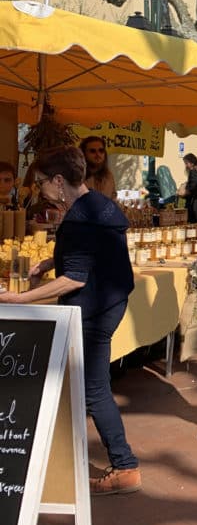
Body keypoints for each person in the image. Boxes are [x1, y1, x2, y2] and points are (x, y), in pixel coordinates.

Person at [0, 145, 141, 495]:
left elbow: (76, 278)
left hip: (94, 309)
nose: (40, 190)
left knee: (94, 390)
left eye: (43, 182)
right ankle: (64, 450)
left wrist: (20, 298)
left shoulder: (80, 217)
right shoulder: (97, 204)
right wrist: (51, 263)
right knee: (81, 385)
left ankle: (125, 466)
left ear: (60, 180)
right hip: (109, 303)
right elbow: (92, 255)